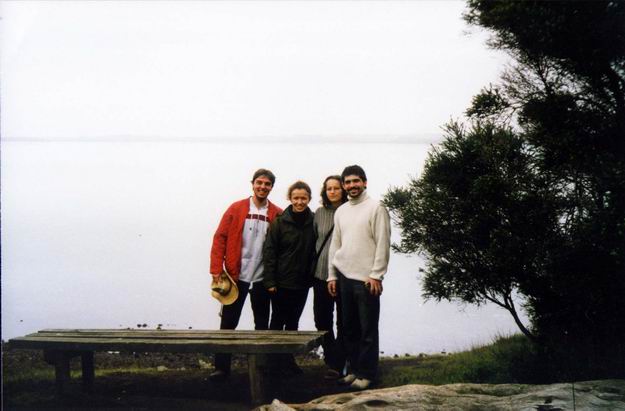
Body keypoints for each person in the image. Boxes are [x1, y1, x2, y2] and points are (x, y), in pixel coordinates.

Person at [209, 168, 283, 381]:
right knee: (228, 322)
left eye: (267, 184)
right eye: (259, 182)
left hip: (263, 276)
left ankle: (262, 367)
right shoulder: (237, 208)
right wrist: (216, 269)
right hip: (235, 275)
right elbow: (220, 237)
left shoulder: (277, 213)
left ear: (271, 187)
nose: (262, 187)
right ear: (252, 184)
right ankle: (221, 368)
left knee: (262, 322)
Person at [327, 165, 391, 390]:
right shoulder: (341, 211)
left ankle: (367, 373)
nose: (352, 186)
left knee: (367, 330)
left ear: (364, 182)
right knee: (349, 329)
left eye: (356, 181)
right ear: (344, 186)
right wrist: (331, 276)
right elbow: (336, 245)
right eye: (348, 182)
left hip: (366, 280)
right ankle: (353, 370)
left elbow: (383, 243)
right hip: (344, 276)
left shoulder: (376, 208)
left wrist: (376, 275)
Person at [263, 180, 316, 374]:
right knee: (276, 323)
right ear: (290, 198)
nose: (300, 202)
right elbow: (269, 252)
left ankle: (288, 361)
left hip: (302, 283)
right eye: (296, 198)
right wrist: (270, 281)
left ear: (309, 198)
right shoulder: (279, 222)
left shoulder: (314, 221)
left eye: (303, 198)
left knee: (293, 323)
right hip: (280, 283)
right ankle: (272, 362)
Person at [312, 175, 348, 379]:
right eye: (329, 189)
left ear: (343, 190)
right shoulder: (319, 213)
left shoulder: (349, 211)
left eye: (336, 188)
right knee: (322, 320)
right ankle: (331, 358)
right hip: (320, 275)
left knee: (343, 321)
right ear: (324, 191)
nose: (332, 192)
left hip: (343, 276)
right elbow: (315, 240)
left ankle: (340, 362)